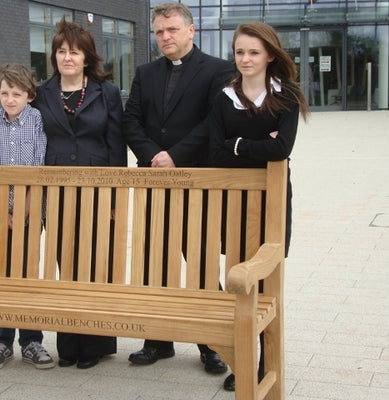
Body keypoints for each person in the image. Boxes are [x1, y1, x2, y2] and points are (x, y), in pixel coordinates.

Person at [0, 19, 127, 369]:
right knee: (65, 261)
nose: (67, 57)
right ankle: (69, 345)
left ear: (87, 57)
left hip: (95, 186)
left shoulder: (106, 92)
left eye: (75, 52)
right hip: (53, 192)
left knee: (95, 263)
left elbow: (116, 144)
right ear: (54, 56)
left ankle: (95, 345)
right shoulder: (44, 92)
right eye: (61, 51)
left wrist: (115, 196)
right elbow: (7, 123)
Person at [122, 2, 235, 375]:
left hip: (195, 182)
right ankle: (158, 340)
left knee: (200, 264)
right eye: (159, 31)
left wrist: (175, 155)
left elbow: (212, 122)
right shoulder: (145, 72)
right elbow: (131, 121)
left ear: (191, 30)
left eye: (171, 29)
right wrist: (155, 155)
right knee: (156, 261)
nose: (165, 37)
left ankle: (212, 343)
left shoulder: (219, 70)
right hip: (154, 181)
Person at [205, 21, 309, 391]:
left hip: (273, 201)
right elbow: (217, 153)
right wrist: (256, 144)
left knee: (266, 280)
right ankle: (243, 361)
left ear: (269, 54)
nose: (245, 59)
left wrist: (238, 144)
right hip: (236, 201)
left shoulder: (287, 94)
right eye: (239, 52)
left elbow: (282, 150)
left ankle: (265, 361)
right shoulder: (222, 97)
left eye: (253, 52)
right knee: (239, 279)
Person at [0, 63, 55, 371]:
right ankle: (3, 339)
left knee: (26, 273)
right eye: (5, 93)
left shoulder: (36, 120)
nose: (10, 100)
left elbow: (37, 169)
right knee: (3, 274)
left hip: (30, 212)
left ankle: (31, 339)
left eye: (17, 94)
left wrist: (23, 214)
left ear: (30, 95)